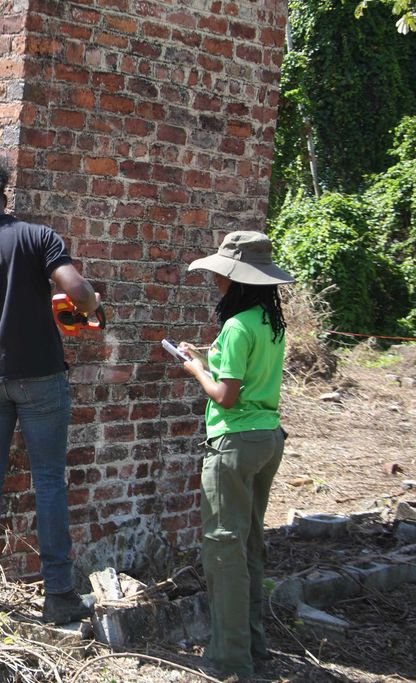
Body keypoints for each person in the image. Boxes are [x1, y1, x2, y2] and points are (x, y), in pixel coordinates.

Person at [0, 152, 101, 625]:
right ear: (3, 196)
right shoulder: (38, 237)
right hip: (41, 375)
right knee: (49, 480)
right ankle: (59, 594)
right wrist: (89, 304)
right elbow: (78, 291)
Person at [178, 231, 293, 679]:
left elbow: (225, 396)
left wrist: (196, 369)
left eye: (222, 275)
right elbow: (246, 372)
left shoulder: (235, 325)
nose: (217, 283)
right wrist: (207, 356)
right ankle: (254, 645)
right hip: (268, 439)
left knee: (223, 549)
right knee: (249, 544)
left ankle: (229, 660)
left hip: (233, 444)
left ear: (238, 280)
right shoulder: (269, 321)